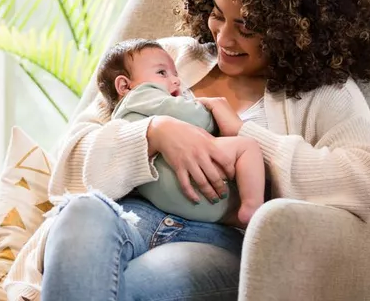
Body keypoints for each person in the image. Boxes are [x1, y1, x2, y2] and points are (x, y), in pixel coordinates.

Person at [4, 0, 370, 301]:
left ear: (293, 28)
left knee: (130, 286)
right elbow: (68, 166)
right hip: (128, 221)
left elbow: (365, 183)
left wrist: (245, 136)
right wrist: (154, 134)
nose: (223, 38)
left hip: (216, 241)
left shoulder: (320, 92)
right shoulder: (167, 59)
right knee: (81, 214)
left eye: (246, 27)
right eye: (217, 15)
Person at [98, 38, 265, 225]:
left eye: (175, 73)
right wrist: (211, 110)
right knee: (247, 146)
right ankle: (253, 207)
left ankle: (234, 215)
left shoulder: (122, 119)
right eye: (162, 73)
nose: (176, 80)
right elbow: (197, 118)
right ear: (125, 86)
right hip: (191, 188)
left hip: (171, 200)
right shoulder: (142, 95)